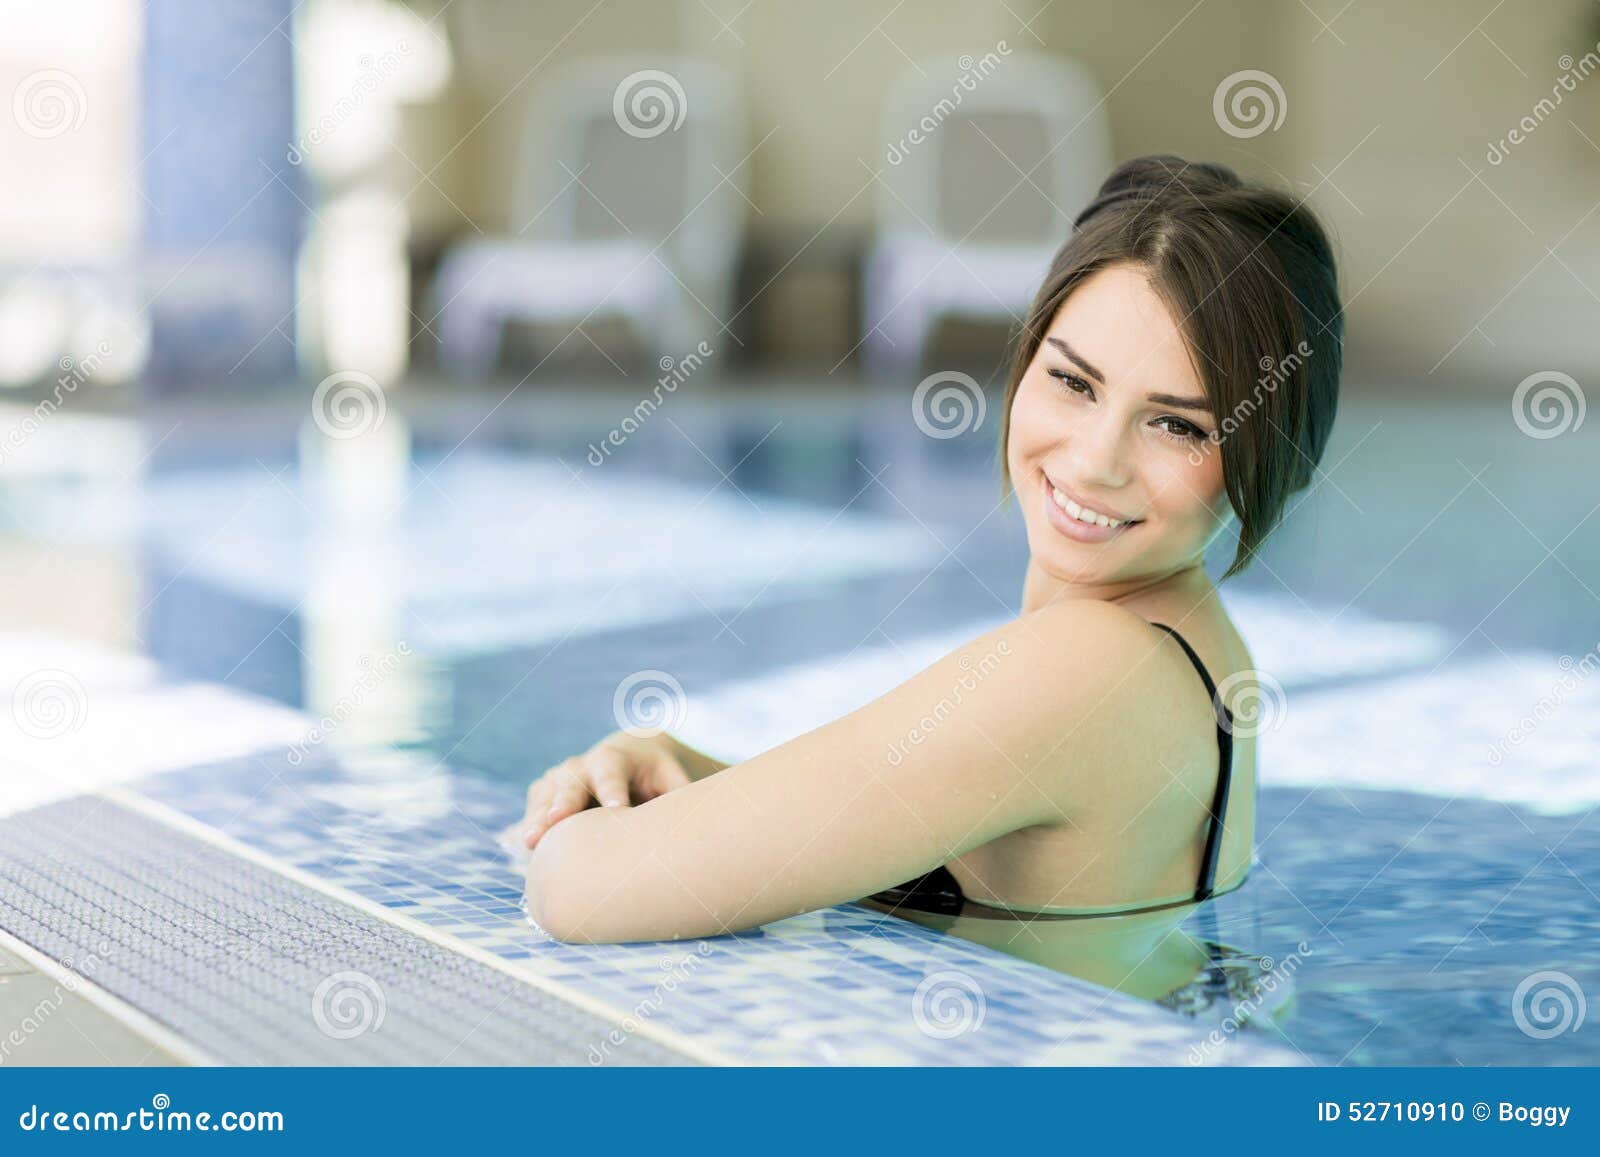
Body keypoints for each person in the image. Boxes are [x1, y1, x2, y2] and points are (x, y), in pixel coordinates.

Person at [502, 154, 1342, 1006]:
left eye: (1175, 424)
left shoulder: (1084, 669)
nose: (1094, 462)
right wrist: (684, 777)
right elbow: (929, 830)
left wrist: (593, 831)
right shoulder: (1197, 651)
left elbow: (577, 890)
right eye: (1072, 381)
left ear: (1277, 455)